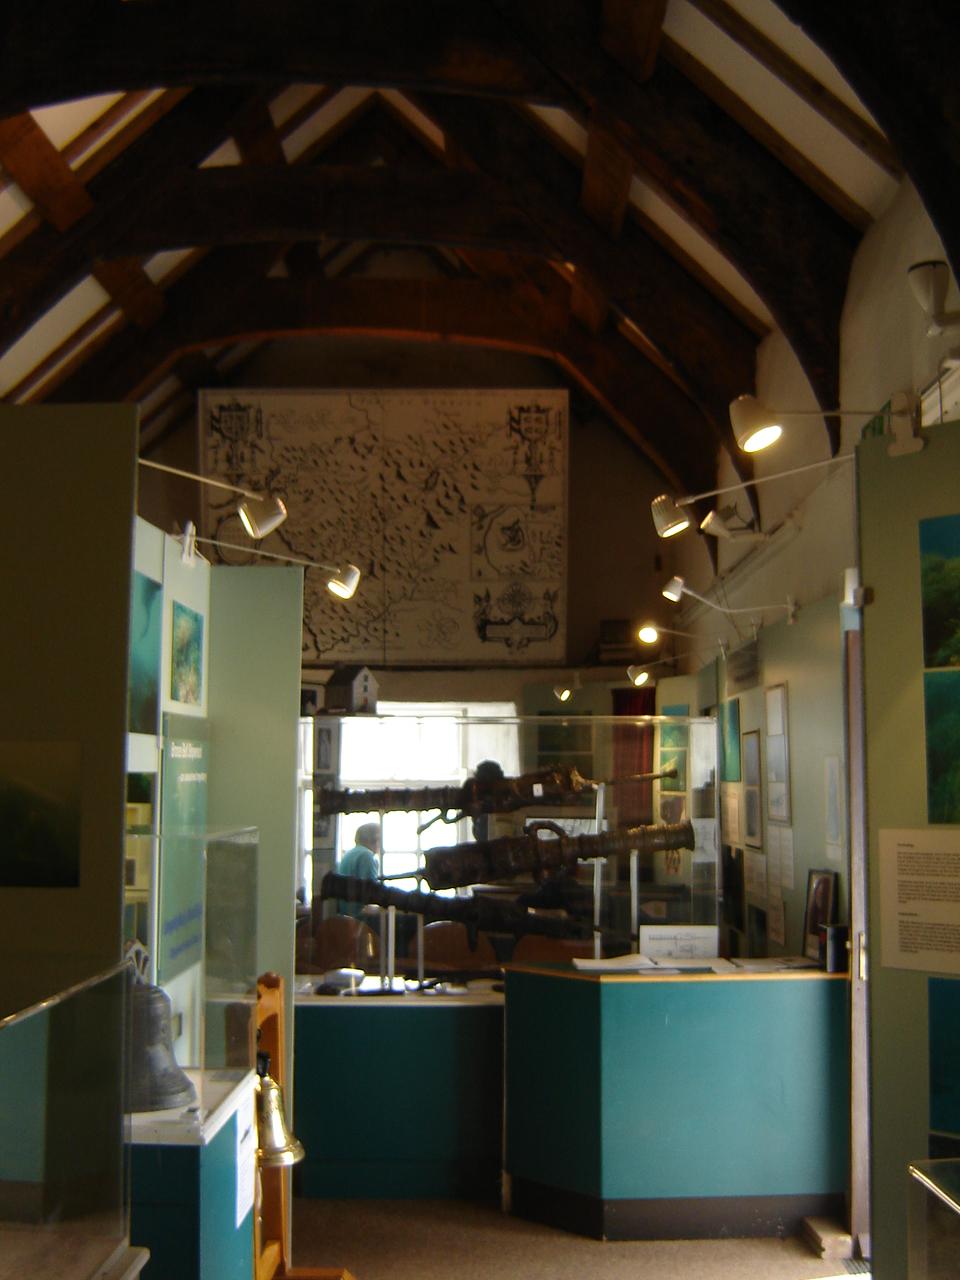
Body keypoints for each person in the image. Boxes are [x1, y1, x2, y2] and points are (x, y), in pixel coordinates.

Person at [336, 822, 381, 918]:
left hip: (344, 917)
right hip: (359, 917)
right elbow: (372, 892)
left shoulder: (348, 855)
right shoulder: (367, 856)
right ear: (375, 839)